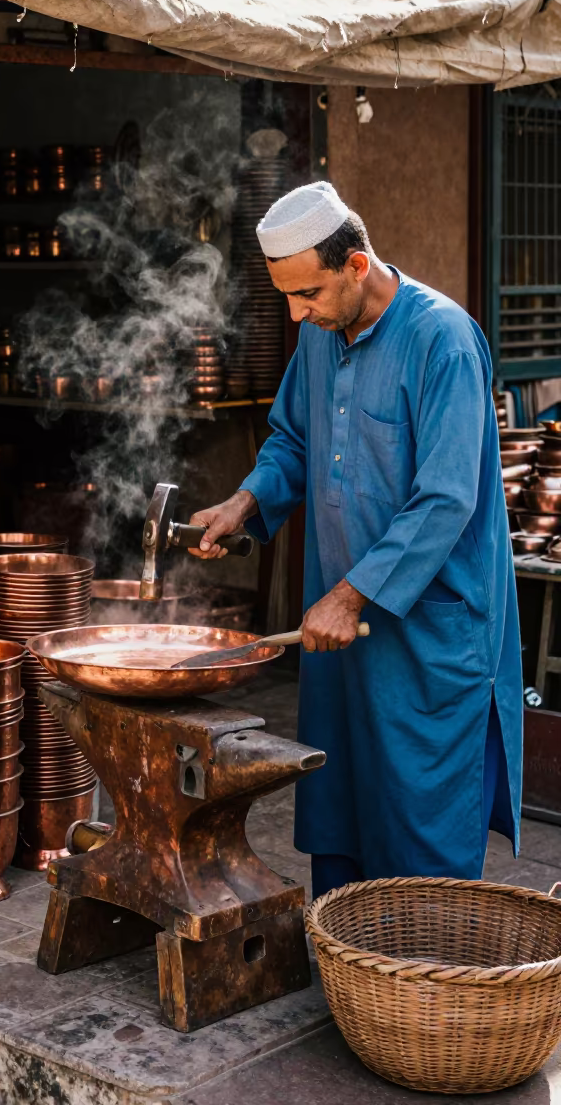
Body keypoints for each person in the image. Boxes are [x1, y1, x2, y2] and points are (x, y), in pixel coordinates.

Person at [190, 181, 522, 898]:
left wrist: (350, 595)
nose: (295, 312)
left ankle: (417, 987)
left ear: (357, 266)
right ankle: (350, 965)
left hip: (426, 632)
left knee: (420, 815)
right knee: (340, 803)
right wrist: (244, 503)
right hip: (338, 629)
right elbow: (291, 440)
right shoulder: (319, 336)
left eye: (306, 293)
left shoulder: (444, 340)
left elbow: (445, 500)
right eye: (285, 296)